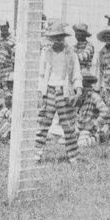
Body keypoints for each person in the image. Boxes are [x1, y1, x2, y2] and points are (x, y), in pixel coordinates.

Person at [35, 23, 83, 164]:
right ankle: (36, 154)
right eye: (54, 38)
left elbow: (76, 73)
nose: (57, 41)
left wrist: (78, 90)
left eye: (60, 38)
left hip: (64, 92)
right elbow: (41, 74)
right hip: (49, 90)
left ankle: (73, 156)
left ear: (64, 38)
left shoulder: (70, 53)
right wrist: (40, 93)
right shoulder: (46, 53)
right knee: (44, 123)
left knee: (68, 125)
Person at [77, 73, 110, 147]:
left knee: (81, 144)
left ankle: (100, 138)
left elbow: (105, 112)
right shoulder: (80, 97)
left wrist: (95, 124)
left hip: (91, 129)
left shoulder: (94, 96)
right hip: (81, 128)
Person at [0, 21, 15, 105]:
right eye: (1, 27)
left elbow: (14, 53)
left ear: (8, 27)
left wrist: (7, 46)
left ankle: (8, 107)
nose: (3, 29)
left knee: (7, 87)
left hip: (6, 66)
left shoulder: (12, 38)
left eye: (5, 27)